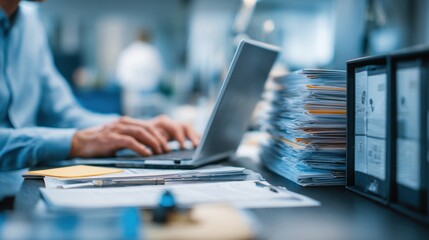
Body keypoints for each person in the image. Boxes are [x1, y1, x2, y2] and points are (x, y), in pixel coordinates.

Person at [0, 0, 199, 171]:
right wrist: (75, 142)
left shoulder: (31, 23)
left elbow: (63, 116)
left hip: (21, 188)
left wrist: (131, 130)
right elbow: (72, 136)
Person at [116, 30, 165, 118]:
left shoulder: (127, 53)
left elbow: (121, 76)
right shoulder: (153, 52)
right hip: (150, 94)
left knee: (132, 124)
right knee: (150, 123)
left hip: (132, 94)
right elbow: (159, 73)